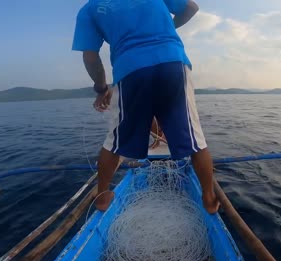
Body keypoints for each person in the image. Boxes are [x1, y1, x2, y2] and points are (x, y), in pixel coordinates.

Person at [72, 0, 219, 214]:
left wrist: (102, 88)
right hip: (172, 61)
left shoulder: (89, 9)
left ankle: (103, 197)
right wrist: (169, 29)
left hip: (130, 68)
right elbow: (191, 7)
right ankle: (208, 197)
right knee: (195, 138)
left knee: (115, 142)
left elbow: (90, 56)